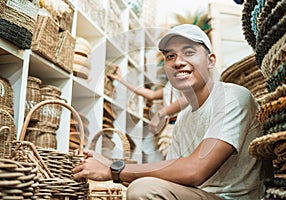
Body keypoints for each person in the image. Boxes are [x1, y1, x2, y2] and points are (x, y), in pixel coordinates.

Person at [72, 24, 264, 199]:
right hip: (198, 194)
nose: (178, 62)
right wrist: (107, 164)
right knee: (143, 185)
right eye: (170, 56)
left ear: (211, 61)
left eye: (189, 52)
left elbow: (195, 170)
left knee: (143, 189)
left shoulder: (232, 97)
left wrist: (113, 170)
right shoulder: (183, 118)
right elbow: (169, 173)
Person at [107, 65, 189, 156]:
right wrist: (121, 80)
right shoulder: (171, 84)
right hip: (171, 126)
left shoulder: (182, 78)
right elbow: (151, 94)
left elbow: (186, 99)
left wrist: (160, 114)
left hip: (180, 125)